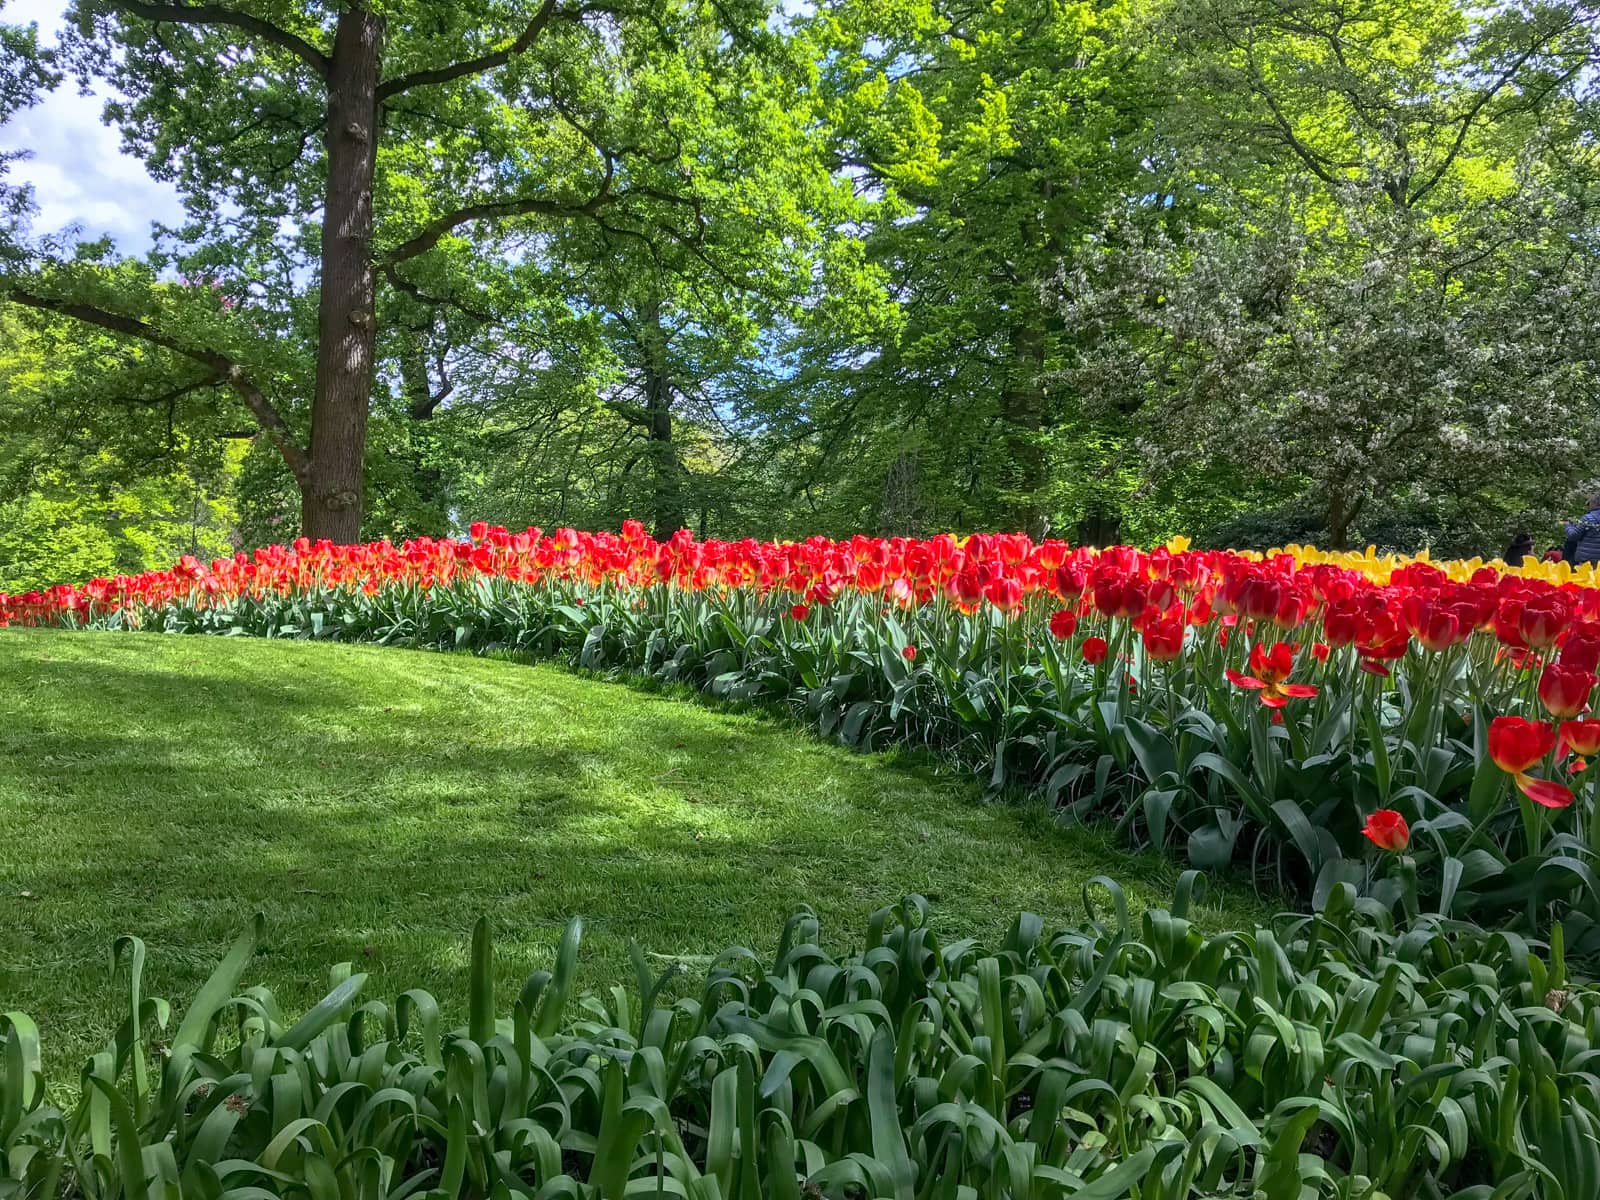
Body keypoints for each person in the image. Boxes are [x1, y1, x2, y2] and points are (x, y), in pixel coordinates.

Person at [1564, 493, 1600, 567]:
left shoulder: (1588, 518)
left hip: (1587, 560)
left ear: (1595, 503)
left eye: (1589, 503)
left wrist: (1568, 525)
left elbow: (1573, 536)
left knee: (1586, 577)